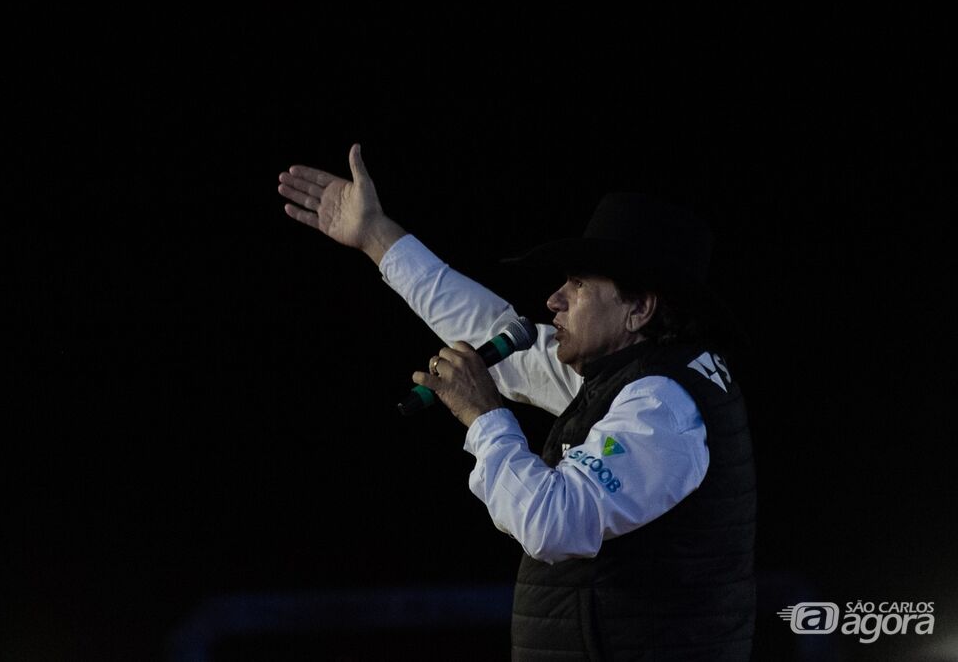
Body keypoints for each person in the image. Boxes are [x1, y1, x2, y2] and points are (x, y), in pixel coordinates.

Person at [277, 144, 756, 661]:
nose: (553, 299)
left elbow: (554, 523)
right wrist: (376, 236)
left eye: (578, 283)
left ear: (638, 308)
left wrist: (484, 416)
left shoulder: (662, 405)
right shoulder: (635, 375)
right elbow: (490, 330)